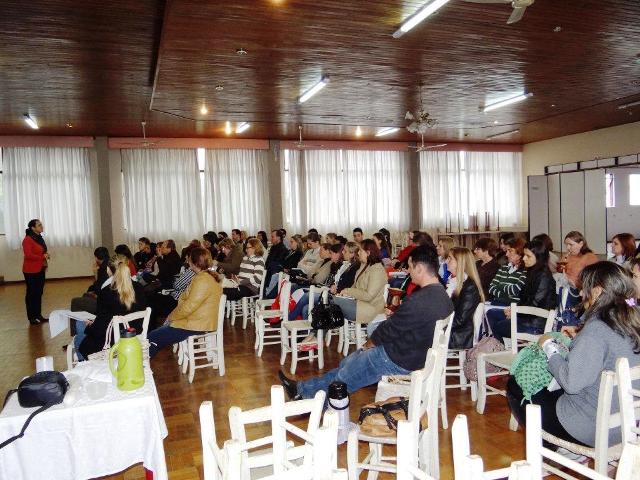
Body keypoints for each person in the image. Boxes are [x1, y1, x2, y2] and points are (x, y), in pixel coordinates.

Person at [278, 245, 454, 400]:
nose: (408, 271)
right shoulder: (444, 297)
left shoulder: (418, 300)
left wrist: (368, 344)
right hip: (413, 357)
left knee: (348, 371)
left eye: (409, 267)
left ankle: (312, 400)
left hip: (398, 360)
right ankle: (303, 390)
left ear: (420, 268)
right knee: (348, 364)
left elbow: (389, 330)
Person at [507, 261, 640, 449]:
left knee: (516, 386)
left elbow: (571, 383)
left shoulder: (596, 330)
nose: (581, 294)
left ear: (597, 291)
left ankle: (548, 450)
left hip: (592, 429)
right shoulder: (632, 318)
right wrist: (581, 336)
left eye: (584, 289)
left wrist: (549, 348)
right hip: (627, 424)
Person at [148, 248, 223, 358]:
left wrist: (171, 317)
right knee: (155, 335)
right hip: (197, 321)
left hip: (195, 324)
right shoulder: (209, 276)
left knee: (151, 338)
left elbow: (188, 307)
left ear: (195, 262)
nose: (187, 261)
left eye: (189, 259)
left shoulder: (202, 280)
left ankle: (141, 369)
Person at [77, 255, 147, 360]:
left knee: (79, 332)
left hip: (113, 342)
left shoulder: (106, 293)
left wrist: (90, 327)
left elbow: (101, 326)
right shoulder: (140, 288)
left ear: (108, 270)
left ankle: (85, 367)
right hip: (134, 337)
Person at [490, 239, 557, 342]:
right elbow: (523, 297)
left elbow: (534, 304)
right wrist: (514, 309)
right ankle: (505, 348)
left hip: (535, 323)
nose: (524, 258)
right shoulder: (532, 272)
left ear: (539, 257)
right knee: (492, 313)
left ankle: (507, 351)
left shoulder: (544, 277)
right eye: (524, 255)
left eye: (528, 256)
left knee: (499, 326)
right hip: (526, 316)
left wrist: (516, 312)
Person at [333, 239, 387, 329]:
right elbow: (355, 285)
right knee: (329, 302)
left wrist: (348, 291)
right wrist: (345, 293)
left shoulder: (377, 269)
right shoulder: (364, 265)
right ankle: (315, 335)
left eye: (360, 251)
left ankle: (315, 335)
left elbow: (369, 296)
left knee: (330, 302)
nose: (358, 253)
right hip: (358, 303)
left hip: (370, 309)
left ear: (368, 253)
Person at [446, 247, 484, 350]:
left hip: (458, 335)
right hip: (450, 329)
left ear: (460, 262)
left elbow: (460, 320)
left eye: (450, 258)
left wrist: (437, 325)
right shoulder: (453, 282)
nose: (446, 261)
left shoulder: (469, 287)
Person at [22, 219, 50, 325]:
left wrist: (45, 255)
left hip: (40, 269)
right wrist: (42, 256)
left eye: (41, 224)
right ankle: (31, 317)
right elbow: (28, 255)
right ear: (33, 228)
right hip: (30, 270)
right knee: (31, 293)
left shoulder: (39, 238)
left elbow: (41, 250)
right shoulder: (28, 240)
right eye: (39, 225)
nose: (41, 226)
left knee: (39, 292)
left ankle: (38, 315)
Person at [70, 247, 111, 315]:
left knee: (75, 301)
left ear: (96, 257)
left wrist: (95, 273)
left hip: (103, 304)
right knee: (86, 295)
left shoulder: (103, 269)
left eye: (95, 257)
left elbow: (98, 289)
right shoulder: (109, 264)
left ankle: (83, 322)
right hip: (107, 299)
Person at [488, 237, 527, 305]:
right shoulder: (504, 267)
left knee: (489, 312)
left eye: (510, 251)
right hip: (497, 303)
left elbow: (515, 290)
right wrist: (507, 295)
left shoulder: (525, 270)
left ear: (520, 254)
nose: (506, 254)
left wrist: (499, 285)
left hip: (513, 308)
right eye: (507, 251)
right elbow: (491, 288)